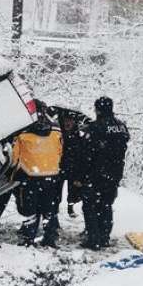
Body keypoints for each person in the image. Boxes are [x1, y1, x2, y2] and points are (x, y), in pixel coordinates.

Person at [79, 97, 130, 250]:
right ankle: (104, 236)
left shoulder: (95, 128)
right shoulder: (121, 126)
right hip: (114, 173)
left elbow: (87, 153)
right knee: (106, 205)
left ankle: (94, 239)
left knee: (90, 206)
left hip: (96, 173)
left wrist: (83, 174)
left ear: (98, 109)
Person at [11, 102, 64, 247]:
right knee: (49, 208)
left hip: (30, 175)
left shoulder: (22, 132)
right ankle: (50, 237)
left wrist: (13, 173)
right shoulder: (56, 131)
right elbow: (60, 151)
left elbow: (14, 157)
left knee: (30, 209)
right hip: (52, 175)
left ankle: (29, 237)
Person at [57, 108, 91, 218]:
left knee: (73, 191)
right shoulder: (58, 134)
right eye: (66, 120)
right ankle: (55, 209)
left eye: (70, 120)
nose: (68, 123)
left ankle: (70, 207)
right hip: (59, 166)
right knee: (57, 190)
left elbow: (82, 153)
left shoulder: (78, 136)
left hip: (73, 167)